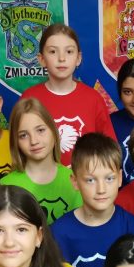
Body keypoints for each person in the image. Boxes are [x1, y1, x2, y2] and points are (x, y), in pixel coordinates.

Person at [52, 133, 134, 267]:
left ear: (120, 178)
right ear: (75, 181)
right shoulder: (58, 233)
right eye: (90, 180)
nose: (101, 189)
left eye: (109, 178)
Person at [21, 23, 116, 166]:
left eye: (69, 51)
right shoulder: (30, 98)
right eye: (53, 52)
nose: (61, 58)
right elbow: (20, 147)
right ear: (42, 59)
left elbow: (109, 150)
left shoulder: (93, 98)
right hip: (42, 178)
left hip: (83, 178)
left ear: (78, 58)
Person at [0, 98, 82, 224]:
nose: (34, 141)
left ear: (53, 131)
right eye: (23, 135)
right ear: (15, 142)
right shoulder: (5, 186)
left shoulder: (76, 180)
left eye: (40, 130)